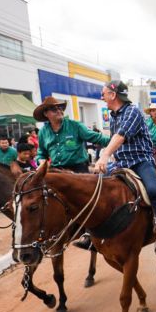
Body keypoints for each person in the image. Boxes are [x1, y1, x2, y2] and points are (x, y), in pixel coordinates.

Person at [93, 81, 156, 254]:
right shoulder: (113, 115)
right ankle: (92, 233)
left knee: (153, 191)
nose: (102, 97)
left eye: (104, 93)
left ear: (113, 95)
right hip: (121, 163)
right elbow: (114, 140)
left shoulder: (132, 112)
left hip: (140, 161)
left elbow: (120, 136)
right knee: (96, 187)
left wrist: (105, 156)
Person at [34, 95, 110, 250]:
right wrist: (41, 161)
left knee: (88, 200)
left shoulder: (75, 126)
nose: (59, 111)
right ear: (46, 114)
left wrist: (116, 141)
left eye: (60, 107)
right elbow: (41, 152)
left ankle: (89, 234)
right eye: (54, 109)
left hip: (78, 170)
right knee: (41, 197)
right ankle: (47, 231)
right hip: (57, 171)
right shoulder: (43, 132)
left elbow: (97, 138)